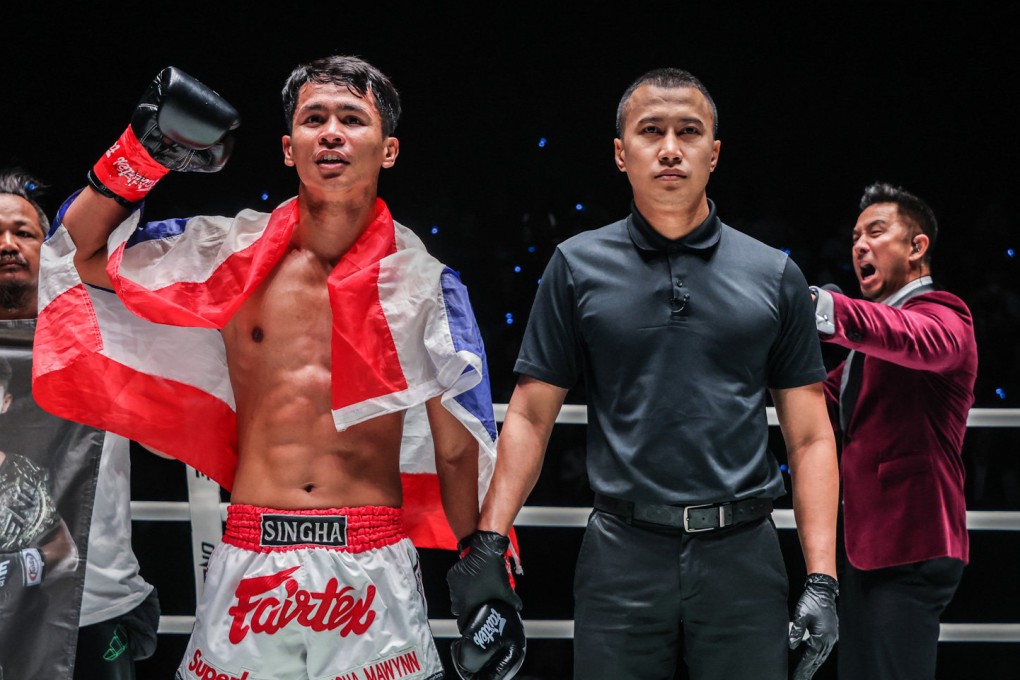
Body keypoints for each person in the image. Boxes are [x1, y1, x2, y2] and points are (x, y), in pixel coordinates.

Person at [34, 57, 523, 680]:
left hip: (370, 557)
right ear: (289, 149)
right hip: (251, 548)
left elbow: (458, 450)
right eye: (314, 119)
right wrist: (143, 152)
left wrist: (484, 568)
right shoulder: (228, 252)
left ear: (389, 149)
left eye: (353, 118)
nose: (332, 132)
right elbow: (80, 253)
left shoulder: (423, 285)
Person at [447, 67, 841, 680]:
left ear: (714, 153)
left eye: (689, 131)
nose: (670, 148)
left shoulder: (774, 274)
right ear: (620, 152)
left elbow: (811, 436)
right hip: (620, 552)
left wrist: (823, 580)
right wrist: (490, 540)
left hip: (743, 552)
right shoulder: (575, 266)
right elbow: (529, 415)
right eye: (651, 130)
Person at [810, 183, 976, 680]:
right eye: (855, 238)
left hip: (913, 544)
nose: (860, 245)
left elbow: (908, 336)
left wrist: (821, 306)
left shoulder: (945, 314)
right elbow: (813, 401)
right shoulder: (863, 352)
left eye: (876, 232)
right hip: (865, 548)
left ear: (916, 247)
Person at [1, 167, 160, 679]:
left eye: (23, 233)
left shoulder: (103, 335)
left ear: (47, 249)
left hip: (95, 608)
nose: (7, 245)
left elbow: (167, 441)